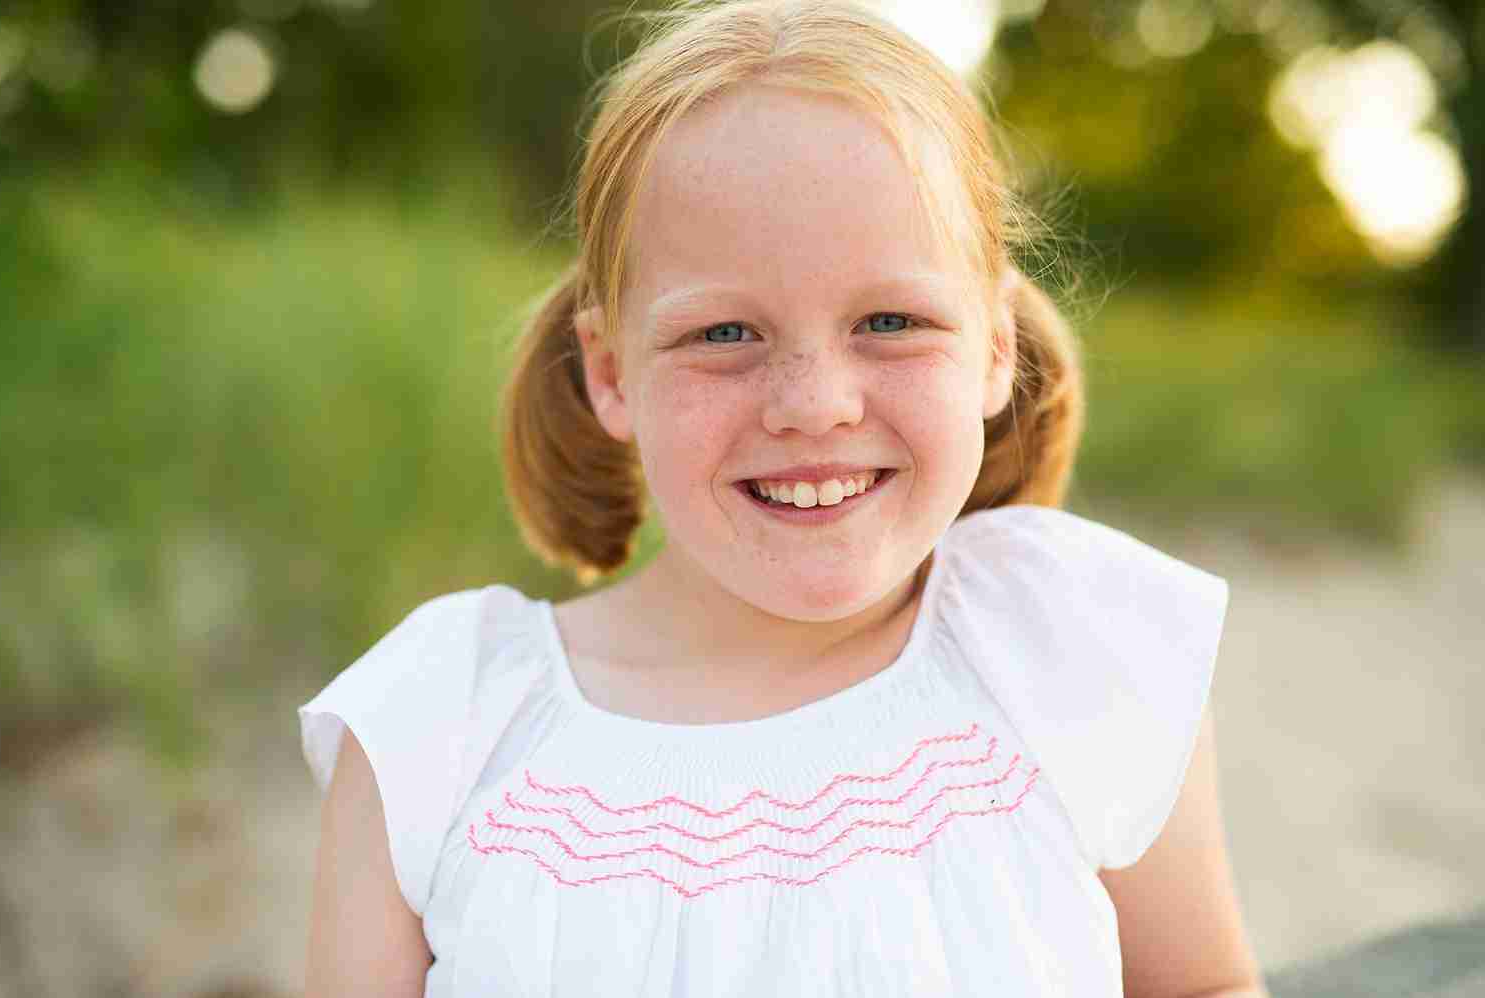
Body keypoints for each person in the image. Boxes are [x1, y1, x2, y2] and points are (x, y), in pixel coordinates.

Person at [298, 1, 1269, 995]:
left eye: (890, 321)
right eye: (724, 334)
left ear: (995, 346)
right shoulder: (443, 730)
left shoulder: (1067, 645)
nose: (813, 405)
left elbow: (1204, 983)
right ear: (611, 371)